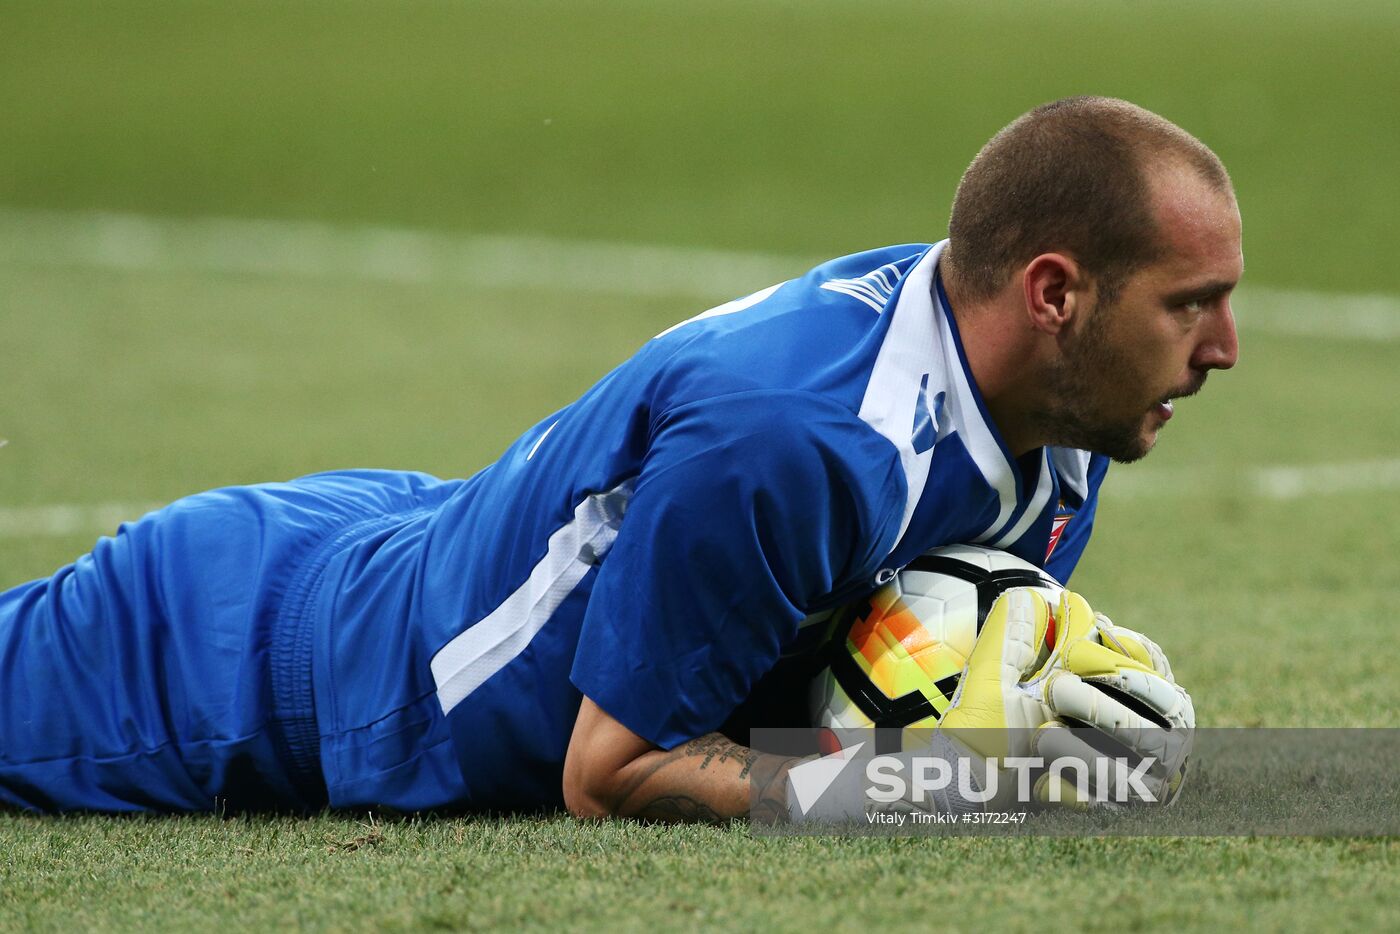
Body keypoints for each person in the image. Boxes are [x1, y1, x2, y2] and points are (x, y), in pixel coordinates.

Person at [0, 97, 1241, 820]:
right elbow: (612, 770)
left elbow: (857, 656)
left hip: (413, 547)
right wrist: (919, 789)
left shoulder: (1057, 408)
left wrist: (1000, 724)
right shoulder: (800, 442)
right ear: (1054, 294)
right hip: (238, 662)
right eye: (1190, 305)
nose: (1224, 348)